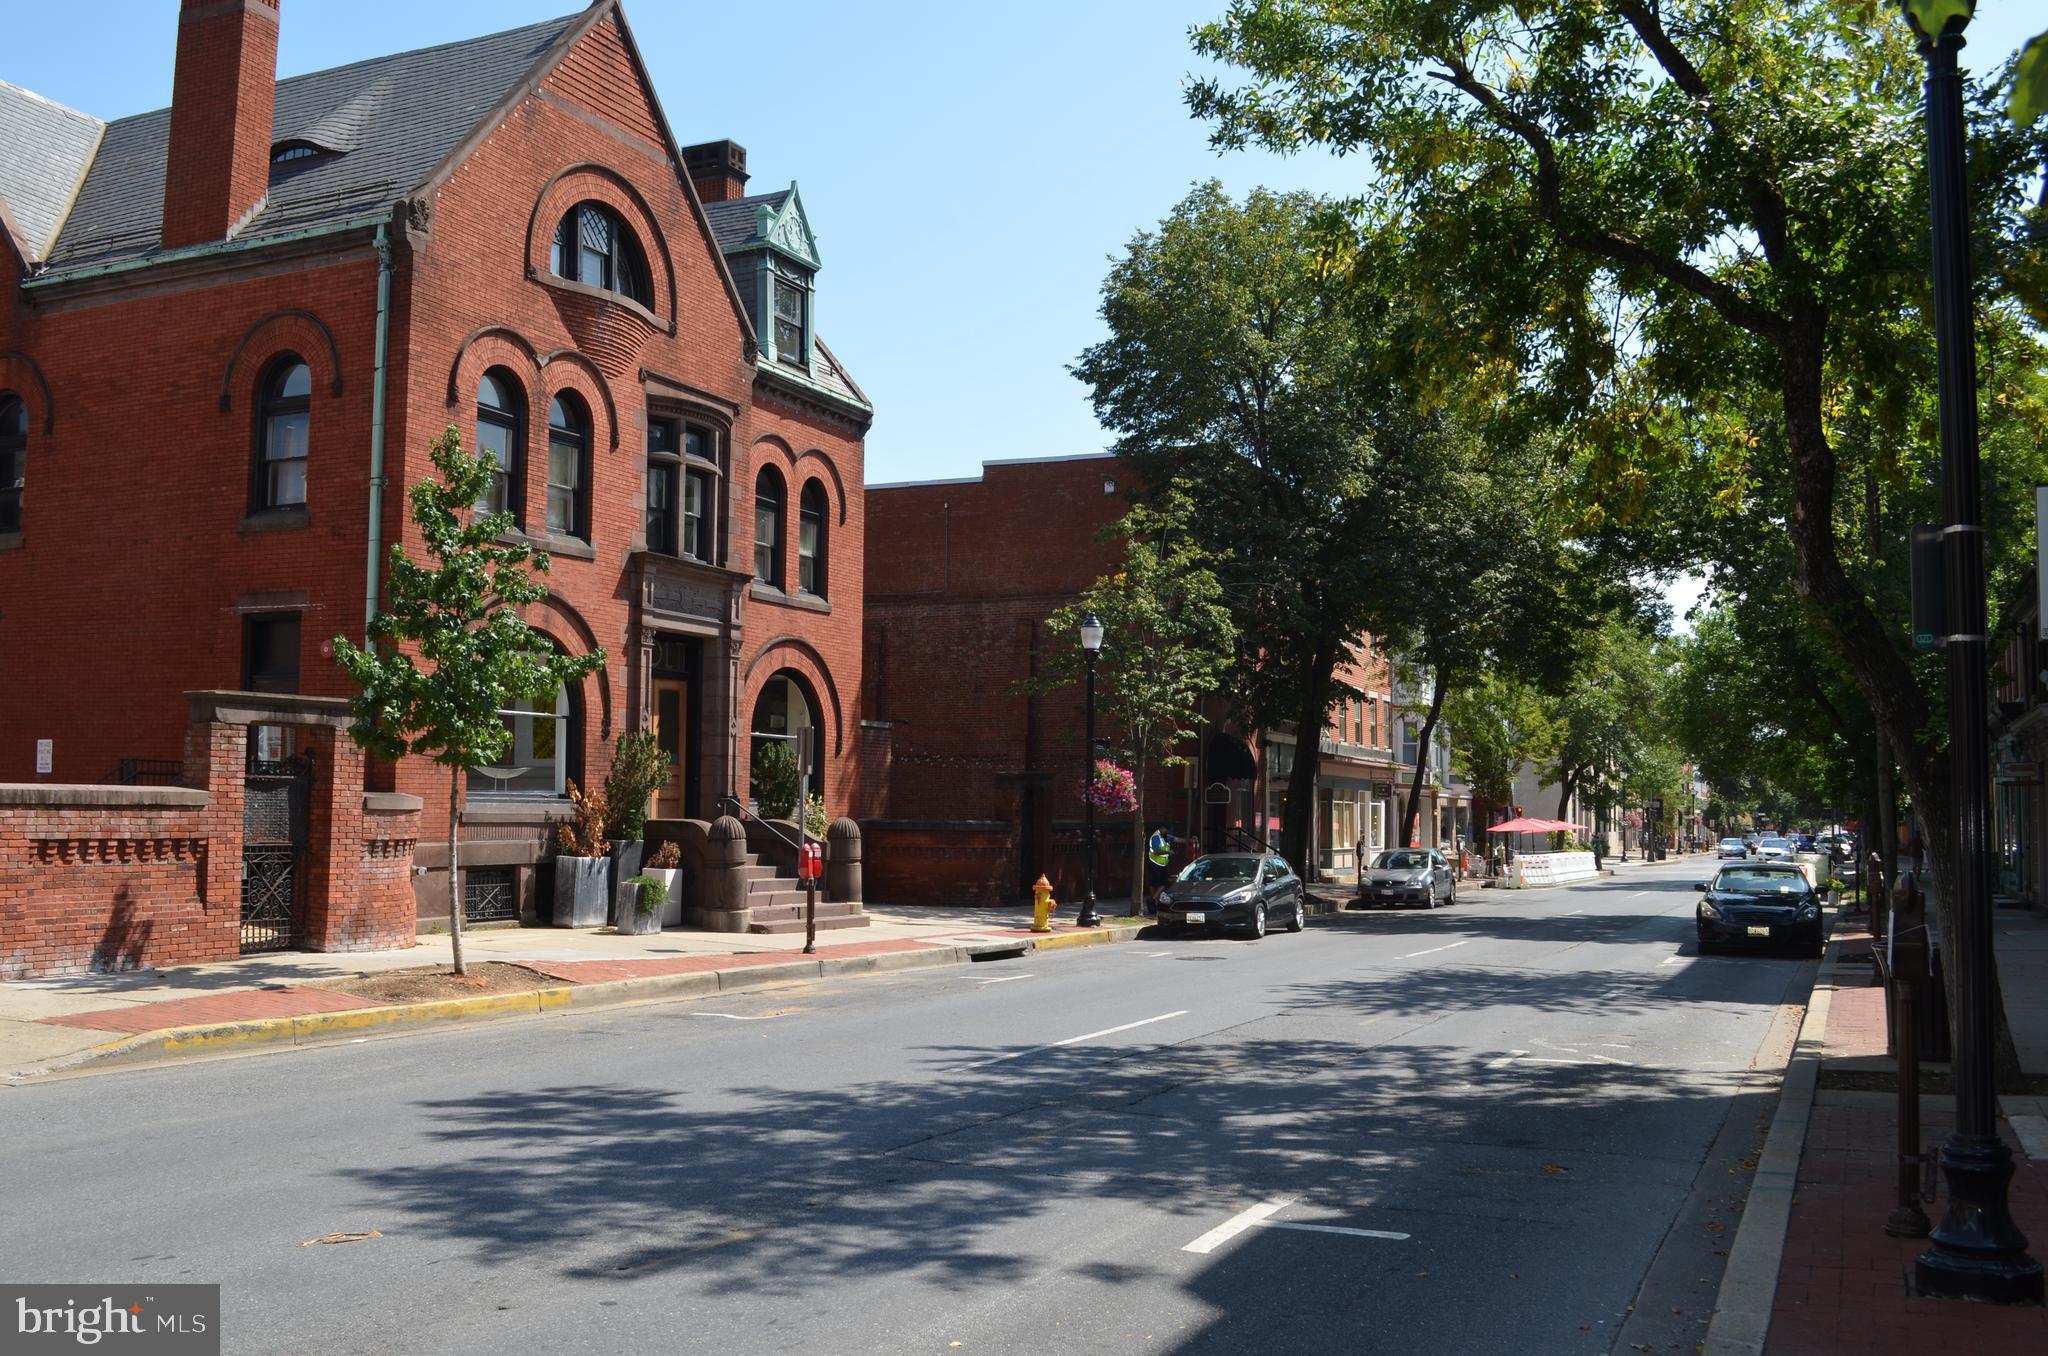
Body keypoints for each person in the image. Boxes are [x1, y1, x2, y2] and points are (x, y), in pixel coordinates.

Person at [1145, 826, 1178, 904]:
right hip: (1155, 864)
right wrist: (1168, 852)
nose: (1167, 831)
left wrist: (1190, 840)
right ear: (1162, 829)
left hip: (1161, 864)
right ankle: (1153, 899)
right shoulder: (1156, 837)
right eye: (1166, 829)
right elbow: (1156, 851)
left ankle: (1153, 901)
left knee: (1155, 883)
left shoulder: (1165, 836)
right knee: (1162, 883)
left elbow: (1177, 839)